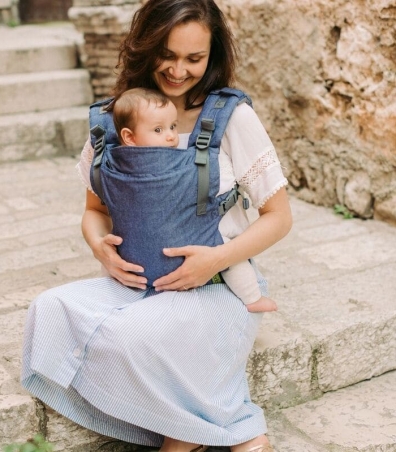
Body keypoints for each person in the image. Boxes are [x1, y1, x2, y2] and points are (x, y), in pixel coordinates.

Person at [21, 1, 292, 452]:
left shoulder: (231, 117)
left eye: (194, 58)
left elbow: (279, 217)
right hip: (137, 279)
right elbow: (94, 211)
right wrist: (99, 248)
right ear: (145, 46)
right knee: (49, 309)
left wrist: (215, 261)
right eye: (168, 54)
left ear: (212, 56)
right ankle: (197, 428)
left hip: (217, 285)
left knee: (136, 335)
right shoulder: (115, 120)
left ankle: (202, 431)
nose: (179, 70)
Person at [112, 87, 277, 314]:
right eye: (158, 130)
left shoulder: (116, 163)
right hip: (152, 258)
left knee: (226, 252)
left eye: (173, 126)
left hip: (148, 262)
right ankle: (252, 298)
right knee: (223, 248)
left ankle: (252, 299)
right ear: (129, 137)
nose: (171, 136)